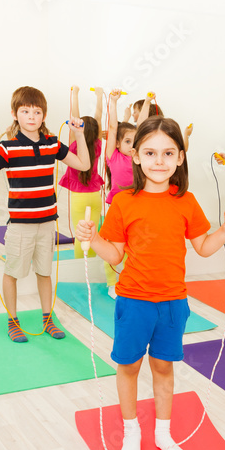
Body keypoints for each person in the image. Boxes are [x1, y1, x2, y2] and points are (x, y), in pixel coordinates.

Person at [75, 117, 225, 450]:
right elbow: (115, 254)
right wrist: (93, 239)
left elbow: (204, 246)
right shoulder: (123, 202)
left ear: (180, 157)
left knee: (164, 368)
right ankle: (132, 429)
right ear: (136, 156)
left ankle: (163, 433)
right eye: (150, 153)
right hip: (134, 301)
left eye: (168, 153)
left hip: (172, 304)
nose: (159, 161)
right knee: (129, 366)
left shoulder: (186, 201)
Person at [0, 86, 89, 342]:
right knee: (13, 272)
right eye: (25, 111)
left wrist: (79, 135)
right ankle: (12, 321)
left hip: (48, 225)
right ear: (15, 114)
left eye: (37, 112)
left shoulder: (51, 144)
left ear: (44, 115)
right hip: (20, 225)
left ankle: (48, 319)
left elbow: (84, 164)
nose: (31, 116)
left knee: (44, 273)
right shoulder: (7, 147)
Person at [102, 89, 140, 297]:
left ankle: (128, 281)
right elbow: (112, 127)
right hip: (117, 208)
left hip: (136, 209)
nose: (132, 145)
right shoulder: (113, 156)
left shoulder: (139, 158)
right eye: (127, 141)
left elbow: (141, 126)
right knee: (113, 248)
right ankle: (111, 283)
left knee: (132, 248)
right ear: (117, 143)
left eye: (135, 141)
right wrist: (113, 102)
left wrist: (148, 103)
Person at [61, 86, 105, 259]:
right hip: (94, 196)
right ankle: (92, 266)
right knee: (92, 233)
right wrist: (99, 96)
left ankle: (81, 268)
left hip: (78, 197)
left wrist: (75, 94)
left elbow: (74, 116)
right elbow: (99, 117)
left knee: (81, 236)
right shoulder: (98, 145)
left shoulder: (74, 144)